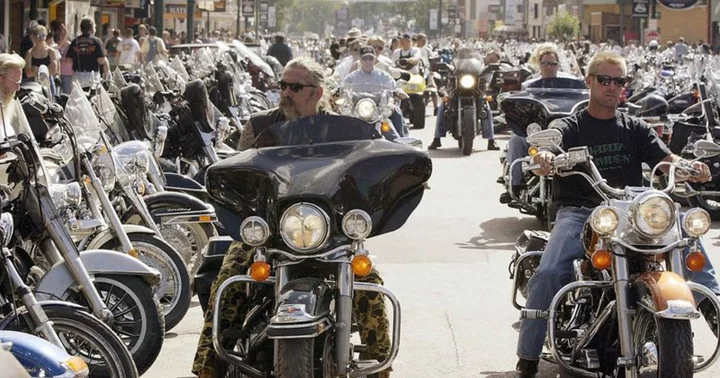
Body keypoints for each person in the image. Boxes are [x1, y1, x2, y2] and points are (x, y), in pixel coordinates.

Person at [514, 51, 720, 378]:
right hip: (582, 211)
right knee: (550, 270)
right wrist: (545, 157)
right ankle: (527, 357)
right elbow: (548, 147)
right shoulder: (571, 124)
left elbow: (663, 159)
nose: (612, 87)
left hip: (632, 211)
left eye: (619, 81)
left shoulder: (634, 127)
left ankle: (715, 313)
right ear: (590, 82)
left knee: (690, 241)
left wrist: (685, 167)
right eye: (605, 80)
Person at [193, 57, 392, 378]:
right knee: (227, 283)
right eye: (283, 86)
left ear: (317, 92)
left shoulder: (342, 129)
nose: (286, 93)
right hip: (272, 233)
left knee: (369, 285)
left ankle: (381, 369)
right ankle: (208, 367)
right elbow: (239, 176)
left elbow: (365, 168)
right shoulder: (259, 127)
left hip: (331, 232)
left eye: (295, 87)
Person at [500, 43, 579, 203]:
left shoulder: (570, 83)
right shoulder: (530, 83)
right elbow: (523, 103)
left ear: (558, 64)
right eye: (545, 63)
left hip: (561, 129)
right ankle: (515, 185)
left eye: (553, 63)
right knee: (516, 140)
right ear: (539, 64)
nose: (549, 67)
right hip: (536, 129)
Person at [428, 48, 499, 151]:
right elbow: (453, 68)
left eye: (495, 58)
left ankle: (491, 140)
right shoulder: (471, 62)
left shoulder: (484, 67)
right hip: (458, 88)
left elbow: (487, 82)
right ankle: (437, 138)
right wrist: (446, 67)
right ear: (487, 54)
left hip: (477, 91)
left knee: (486, 109)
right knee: (443, 106)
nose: (492, 59)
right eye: (491, 56)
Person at [343, 46, 404, 138]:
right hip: (356, 113)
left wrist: (399, 91)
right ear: (360, 60)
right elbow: (342, 89)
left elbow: (394, 88)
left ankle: (402, 141)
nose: (368, 62)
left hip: (379, 112)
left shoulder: (384, 76)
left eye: (370, 58)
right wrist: (336, 92)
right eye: (364, 58)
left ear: (375, 59)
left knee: (396, 112)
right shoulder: (351, 77)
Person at [66, 18, 110, 85]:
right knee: (92, 95)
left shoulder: (75, 41)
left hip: (78, 74)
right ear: (91, 28)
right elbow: (101, 60)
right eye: (94, 26)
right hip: (92, 75)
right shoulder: (96, 41)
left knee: (78, 95)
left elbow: (68, 61)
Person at [0, 53, 24, 138]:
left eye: (20, 83)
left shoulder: (8, 103)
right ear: (1, 78)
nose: (18, 89)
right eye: (15, 82)